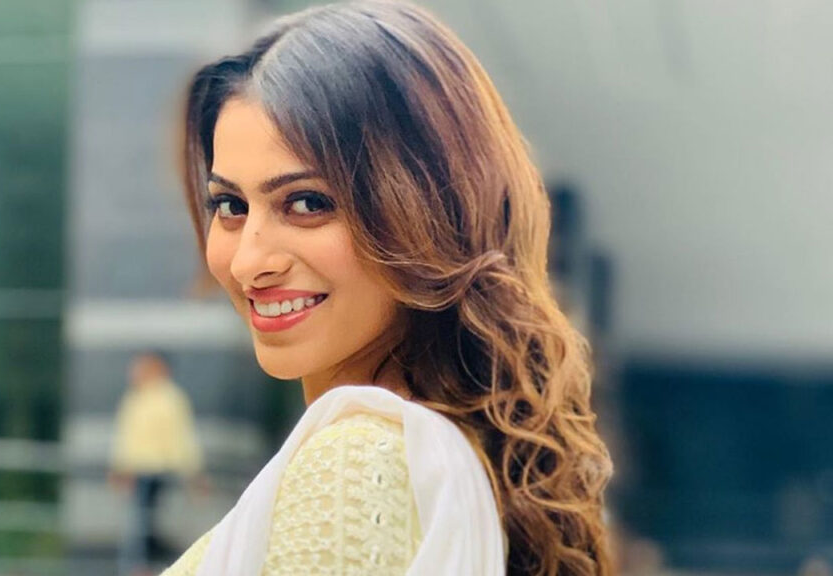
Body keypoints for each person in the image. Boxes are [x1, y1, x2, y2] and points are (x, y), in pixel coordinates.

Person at [164, 1, 613, 574]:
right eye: (230, 205)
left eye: (307, 202)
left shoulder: (359, 462)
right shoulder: (443, 460)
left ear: (428, 213)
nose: (250, 262)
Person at [111, 353, 202, 575]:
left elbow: (181, 439)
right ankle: (141, 566)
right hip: (139, 471)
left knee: (151, 523)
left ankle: (151, 566)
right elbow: (126, 436)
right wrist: (120, 468)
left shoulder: (169, 398)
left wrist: (192, 473)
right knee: (140, 524)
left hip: (160, 471)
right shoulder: (136, 398)